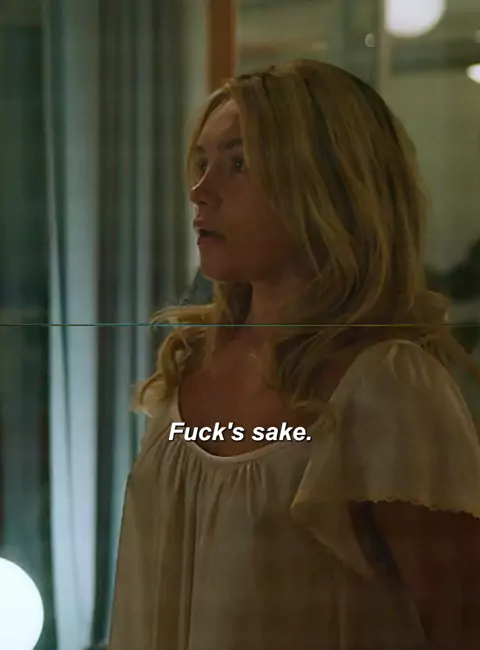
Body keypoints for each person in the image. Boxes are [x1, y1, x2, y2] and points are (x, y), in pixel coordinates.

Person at [107, 59, 480, 650]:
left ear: (328, 183)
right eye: (202, 163)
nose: (200, 192)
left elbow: (462, 624)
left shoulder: (386, 385)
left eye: (239, 164)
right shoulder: (194, 363)